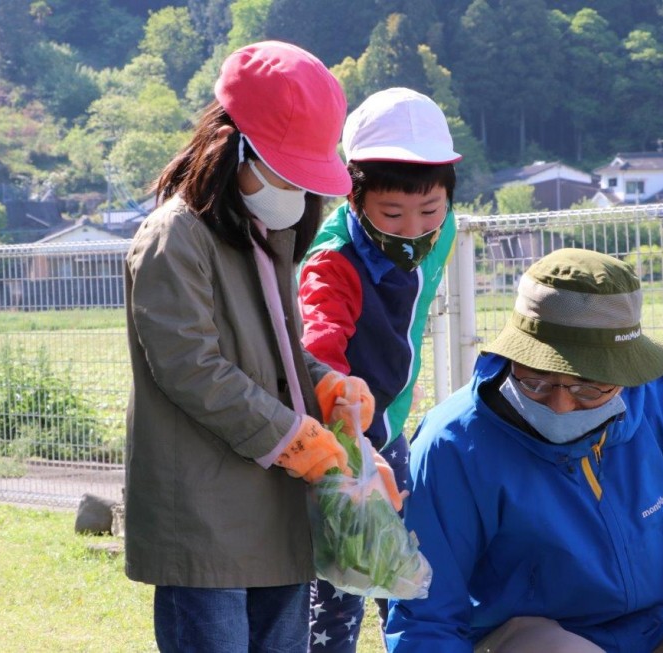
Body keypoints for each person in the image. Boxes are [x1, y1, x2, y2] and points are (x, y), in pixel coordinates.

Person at [123, 40, 398, 653]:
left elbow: (280, 346)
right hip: (203, 511)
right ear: (232, 147)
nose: (296, 191)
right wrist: (294, 438)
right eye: (284, 170)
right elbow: (191, 368)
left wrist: (324, 382)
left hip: (273, 503)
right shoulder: (176, 236)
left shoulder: (259, 231)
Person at [385, 248, 663, 653]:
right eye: (536, 382)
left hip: (658, 625)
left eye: (589, 388)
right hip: (527, 635)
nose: (561, 405)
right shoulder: (453, 443)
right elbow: (427, 610)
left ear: (627, 375)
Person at [298, 87, 462, 652]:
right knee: (339, 590)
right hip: (340, 442)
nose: (413, 228)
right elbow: (318, 349)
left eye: (430, 210)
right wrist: (349, 447)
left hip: (389, 428)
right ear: (353, 193)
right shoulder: (332, 261)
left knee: (407, 578)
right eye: (392, 212)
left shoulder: (444, 230)